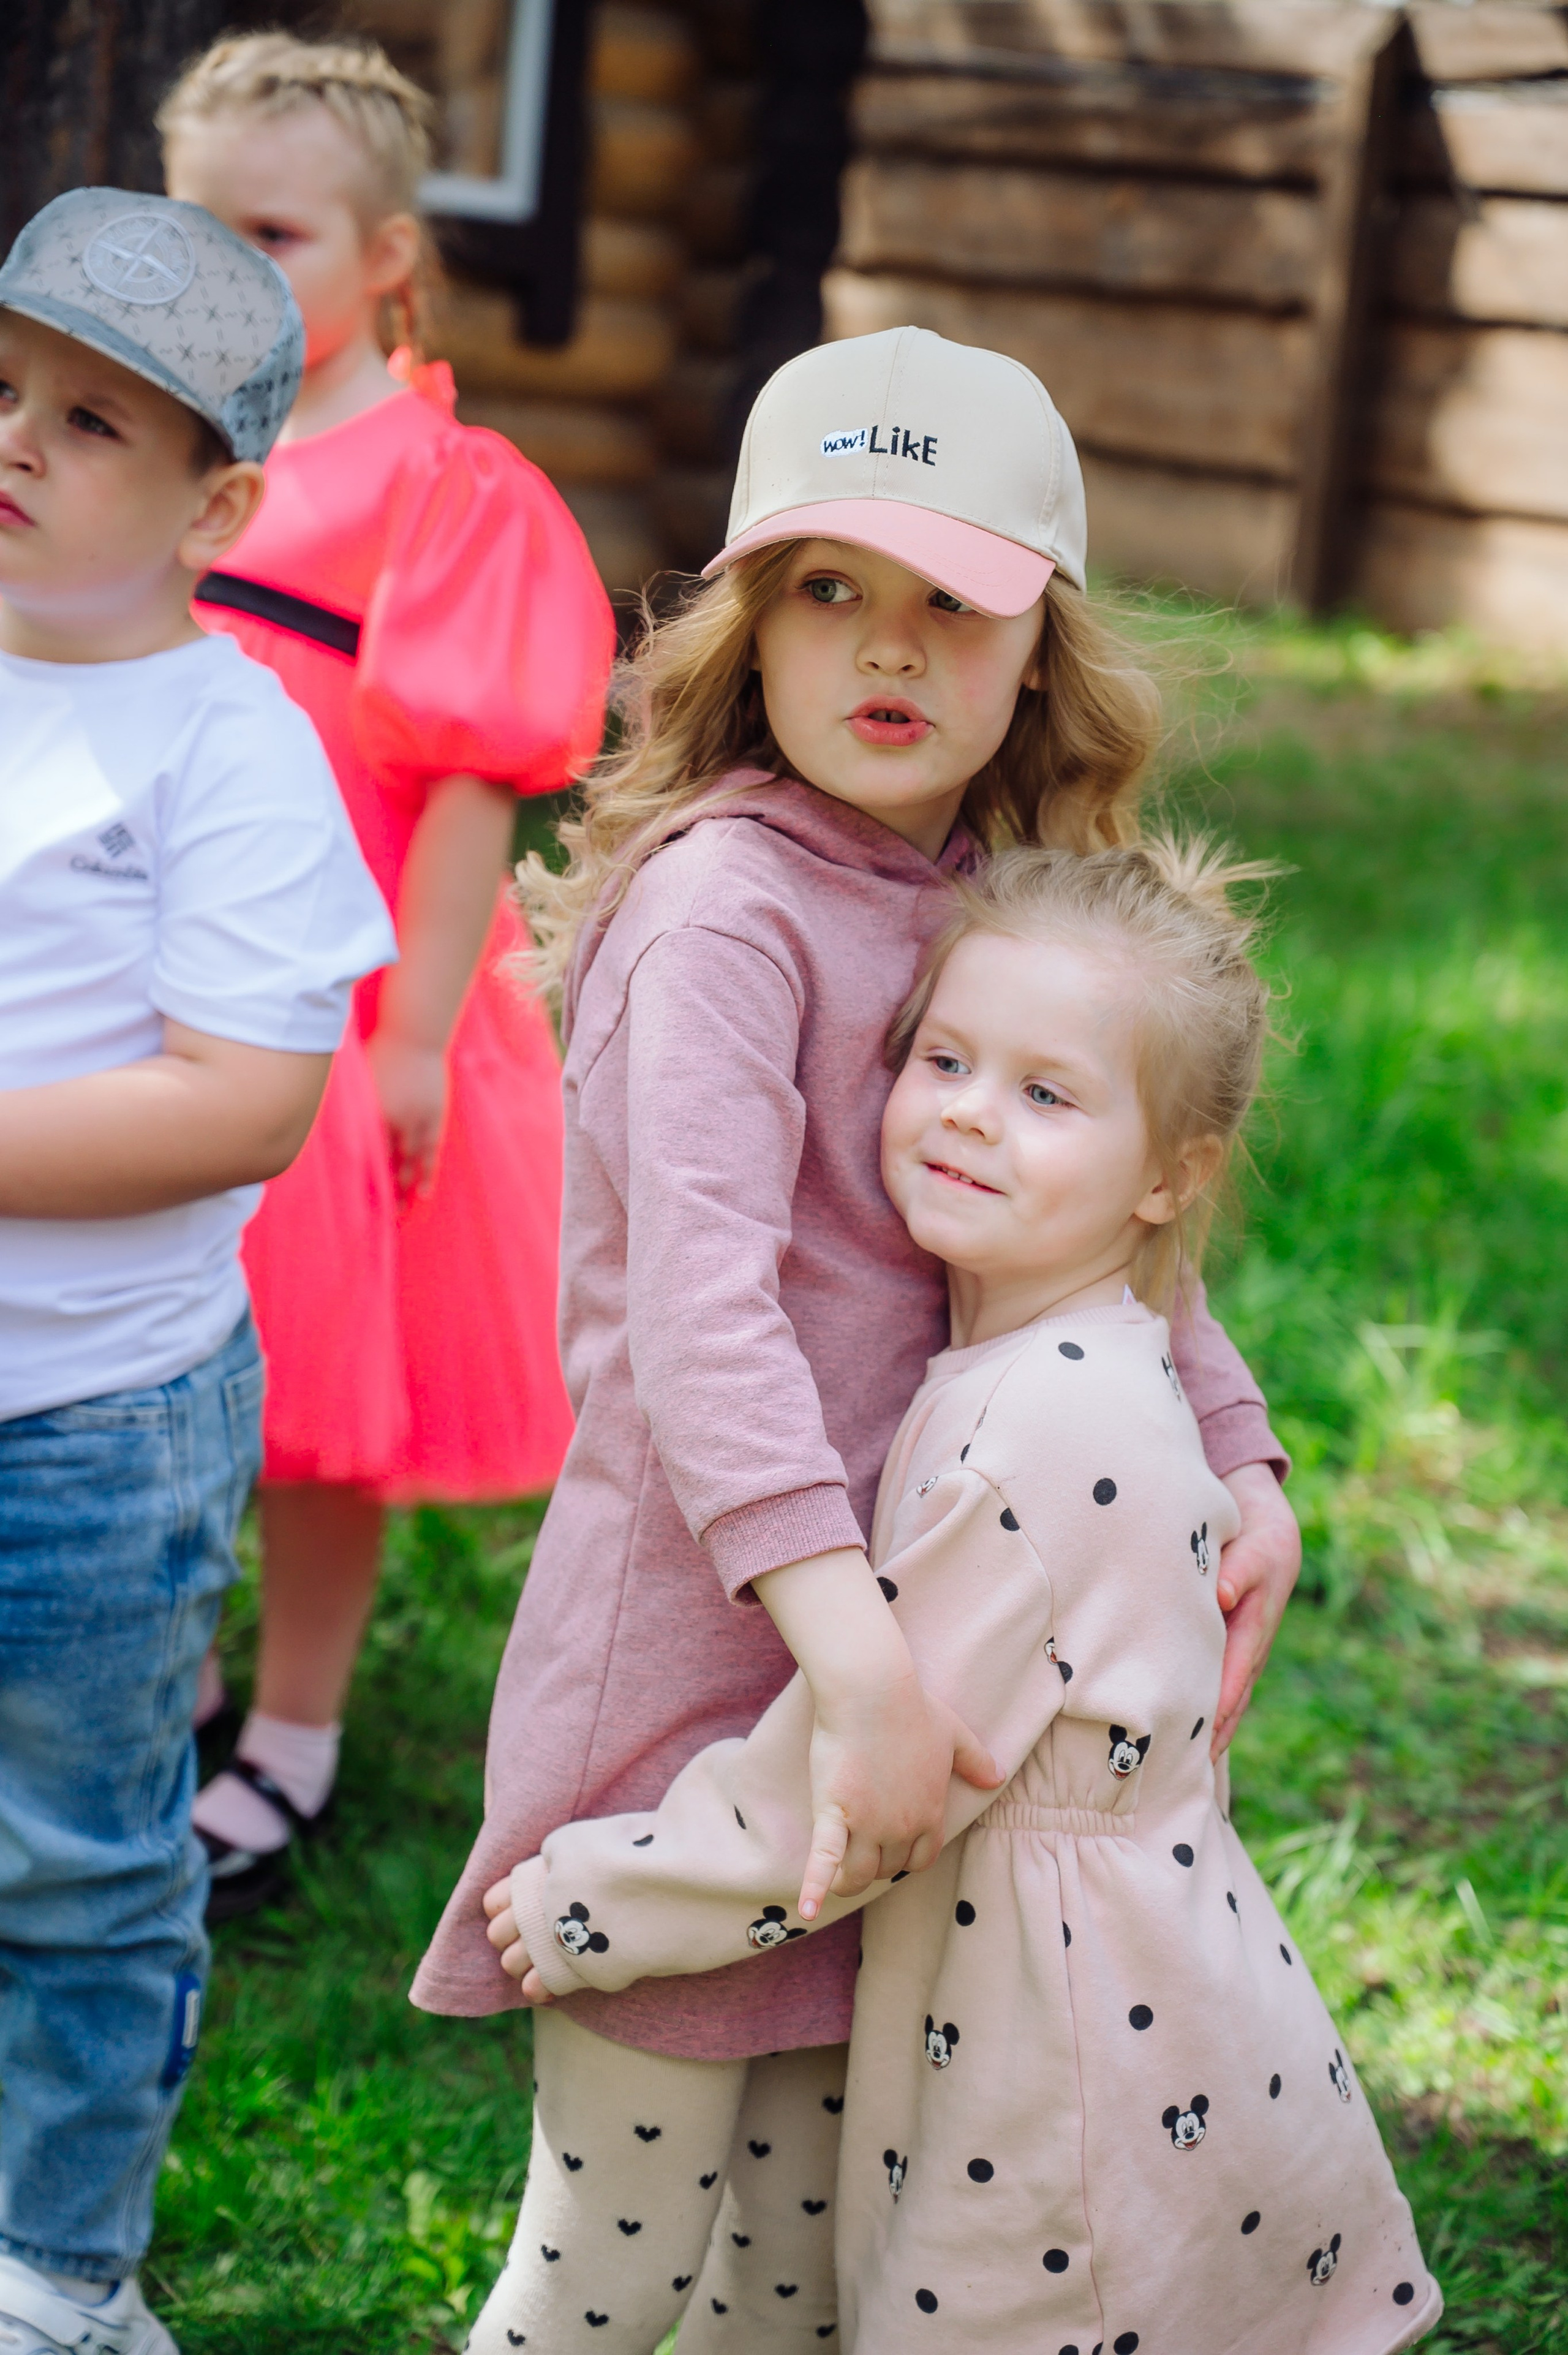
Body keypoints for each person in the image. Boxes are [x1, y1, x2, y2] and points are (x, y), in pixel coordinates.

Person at [412, 323, 1304, 2352]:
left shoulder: (999, 893)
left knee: (807, 2269)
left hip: (918, 1689)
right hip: (709, 1676)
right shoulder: (726, 911)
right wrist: (859, 1668)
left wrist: (1242, 1455)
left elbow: (1121, 1216)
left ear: (1040, 647)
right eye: (830, 589)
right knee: (613, 2267)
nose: (886, 647)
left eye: (950, 603)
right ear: (752, 622)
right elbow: (700, 1324)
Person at [481, 838, 1441, 2355]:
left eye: (1046, 1094)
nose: (970, 1113)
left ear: (1169, 1178)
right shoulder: (1067, 1361)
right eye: (943, 1059)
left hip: (1050, 2047)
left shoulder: (1038, 1432)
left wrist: (595, 1898)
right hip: (1113, 1973)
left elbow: (867, 1773)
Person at [157, 32, 615, 1915]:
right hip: (154, 973)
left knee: (314, 1387)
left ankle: (294, 1727)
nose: (227, 263)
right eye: (197, 222)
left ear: (386, 258)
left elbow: (468, 787)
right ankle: (167, 1675)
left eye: (272, 233)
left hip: (341, 999)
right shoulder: (149, 438)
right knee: (156, 1344)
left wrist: (416, 1034)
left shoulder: (442, 481)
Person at [0, 190, 394, 2354]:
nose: (19, 439)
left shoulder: (224, 743)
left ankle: (60, 2266)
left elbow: (241, 1097)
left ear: (217, 504)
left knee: (73, 1859)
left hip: (91, 1423)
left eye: (92, 421)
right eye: (2, 390)